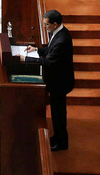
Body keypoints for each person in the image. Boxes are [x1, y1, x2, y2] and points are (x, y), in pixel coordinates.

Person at [22, 9, 74, 151]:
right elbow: (50, 50)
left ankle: (61, 142)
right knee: (57, 112)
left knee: (58, 114)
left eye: (46, 24)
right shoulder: (59, 32)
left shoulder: (62, 40)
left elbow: (49, 61)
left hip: (60, 82)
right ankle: (57, 137)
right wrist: (37, 50)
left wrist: (26, 59)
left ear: (55, 24)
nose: (45, 27)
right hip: (58, 80)